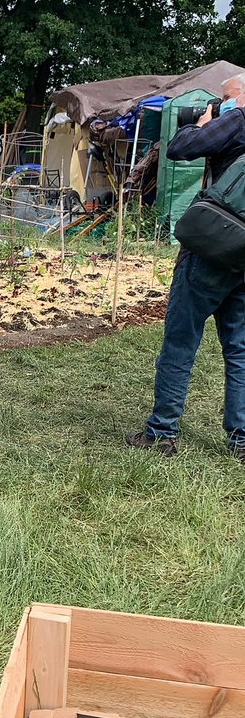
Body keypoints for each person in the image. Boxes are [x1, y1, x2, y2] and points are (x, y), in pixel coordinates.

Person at [127, 74, 245, 461]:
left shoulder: (238, 118)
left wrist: (203, 123)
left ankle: (162, 432)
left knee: (181, 341)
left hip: (212, 249)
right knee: (240, 350)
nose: (218, 101)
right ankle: (241, 438)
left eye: (224, 96)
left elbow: (180, 147)